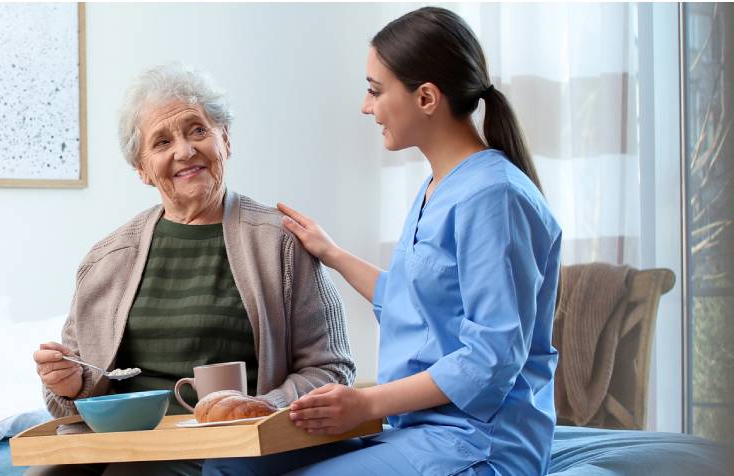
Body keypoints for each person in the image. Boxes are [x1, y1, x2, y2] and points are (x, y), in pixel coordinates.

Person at [203, 6, 562, 476]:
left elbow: (491, 359)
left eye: (375, 90)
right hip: (416, 431)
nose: (365, 106)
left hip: (478, 443)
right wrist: (330, 252)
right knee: (231, 466)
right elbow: (412, 303)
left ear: (427, 97)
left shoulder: (493, 196)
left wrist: (363, 402)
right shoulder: (438, 187)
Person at [28, 63, 355, 476]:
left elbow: (332, 367)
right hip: (122, 441)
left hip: (228, 445)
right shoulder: (106, 259)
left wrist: (267, 405)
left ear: (226, 140)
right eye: (162, 141)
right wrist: (70, 384)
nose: (184, 151)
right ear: (143, 169)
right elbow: (78, 392)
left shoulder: (280, 241)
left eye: (197, 130)